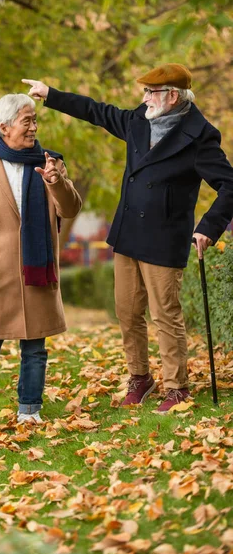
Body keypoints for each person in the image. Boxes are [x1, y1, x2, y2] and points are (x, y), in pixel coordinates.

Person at [23, 64, 233, 413]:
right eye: (145, 92)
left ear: (172, 96)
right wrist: (51, 94)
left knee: (165, 314)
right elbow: (98, 112)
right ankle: (140, 377)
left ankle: (176, 386)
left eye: (151, 92)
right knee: (127, 311)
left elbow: (229, 185)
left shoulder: (200, 136)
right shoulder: (139, 120)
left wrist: (208, 227)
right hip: (127, 233)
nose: (144, 98)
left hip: (165, 237)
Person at [0, 93, 81, 436]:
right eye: (27, 121)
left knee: (35, 347)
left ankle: (30, 410)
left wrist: (56, 183)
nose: (34, 127)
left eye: (35, 120)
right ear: (4, 127)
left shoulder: (50, 162)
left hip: (38, 268)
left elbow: (70, 209)